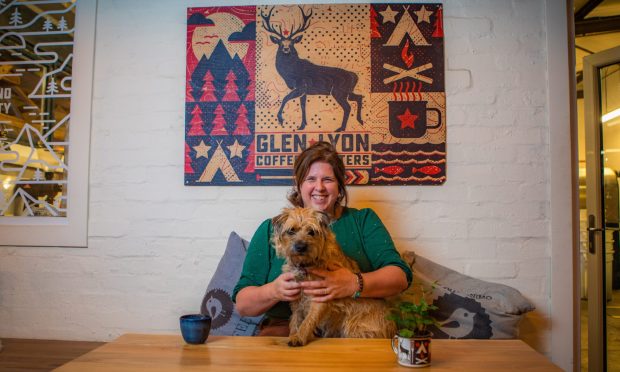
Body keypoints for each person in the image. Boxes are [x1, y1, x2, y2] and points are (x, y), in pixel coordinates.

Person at [232, 141, 412, 336]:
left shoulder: (363, 220)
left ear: (340, 186)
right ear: (299, 185)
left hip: (351, 326)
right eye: (310, 179)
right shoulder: (272, 228)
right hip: (286, 330)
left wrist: (354, 283)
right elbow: (242, 305)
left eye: (328, 179)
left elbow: (400, 278)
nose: (320, 187)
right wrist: (274, 291)